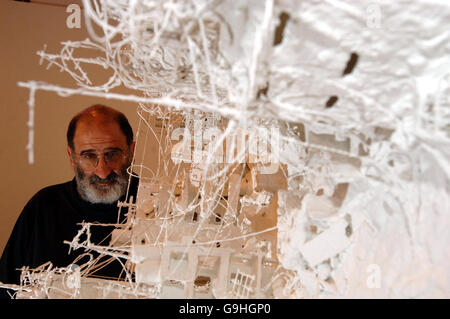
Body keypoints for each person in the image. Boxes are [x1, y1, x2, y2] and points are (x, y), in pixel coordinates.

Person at [0, 104, 139, 298]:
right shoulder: (43, 206)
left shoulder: (161, 208)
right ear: (72, 157)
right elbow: (6, 288)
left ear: (131, 151)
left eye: (112, 154)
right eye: (89, 156)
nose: (102, 171)